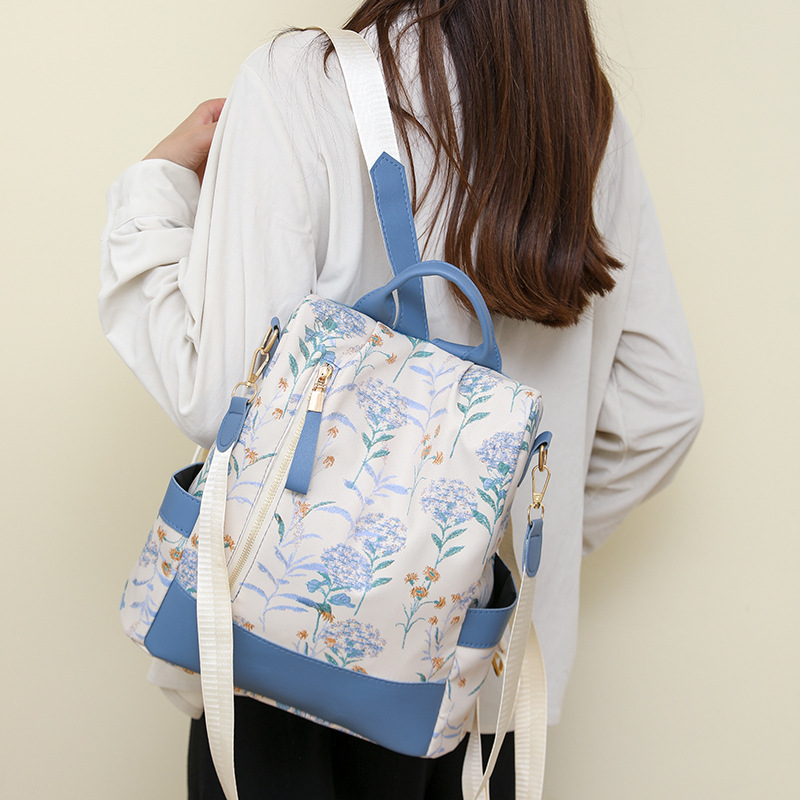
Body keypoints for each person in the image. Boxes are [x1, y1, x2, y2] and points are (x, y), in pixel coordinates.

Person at [100, 1, 703, 797]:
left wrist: (153, 193)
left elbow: (217, 399)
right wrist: (462, 560)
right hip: (468, 692)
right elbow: (664, 408)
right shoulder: (582, 116)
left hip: (272, 659)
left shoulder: (298, 84)